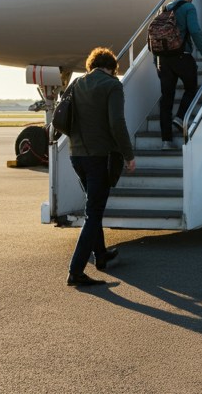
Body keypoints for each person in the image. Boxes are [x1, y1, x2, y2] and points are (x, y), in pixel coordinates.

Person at [66, 47, 136, 287]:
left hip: (76, 154)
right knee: (94, 212)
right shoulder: (112, 86)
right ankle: (76, 271)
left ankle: (101, 254)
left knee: (92, 205)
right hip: (99, 157)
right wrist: (128, 154)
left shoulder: (76, 84)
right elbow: (117, 122)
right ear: (112, 67)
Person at [155, 0, 202, 151]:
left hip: (163, 60)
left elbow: (156, 36)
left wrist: (156, 62)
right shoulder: (188, 7)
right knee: (191, 87)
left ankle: (166, 141)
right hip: (182, 56)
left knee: (166, 100)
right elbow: (195, 31)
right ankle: (180, 117)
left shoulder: (164, 9)